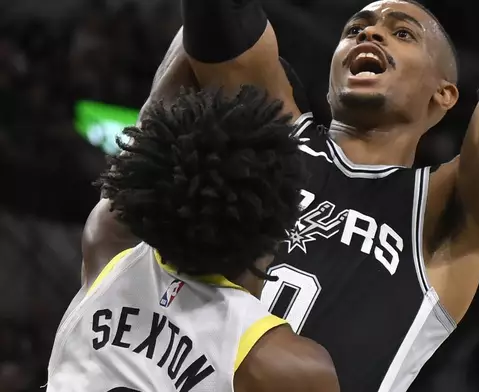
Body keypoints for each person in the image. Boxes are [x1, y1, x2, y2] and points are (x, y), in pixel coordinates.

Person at [120, 0, 479, 390]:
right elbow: (216, 17)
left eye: (403, 33)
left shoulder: (443, 208)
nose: (371, 32)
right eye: (355, 29)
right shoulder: (268, 130)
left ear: (445, 94)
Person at [46, 86, 340, 392]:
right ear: (278, 226)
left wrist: (195, 42)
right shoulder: (283, 365)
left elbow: (144, 136)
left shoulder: (108, 243)